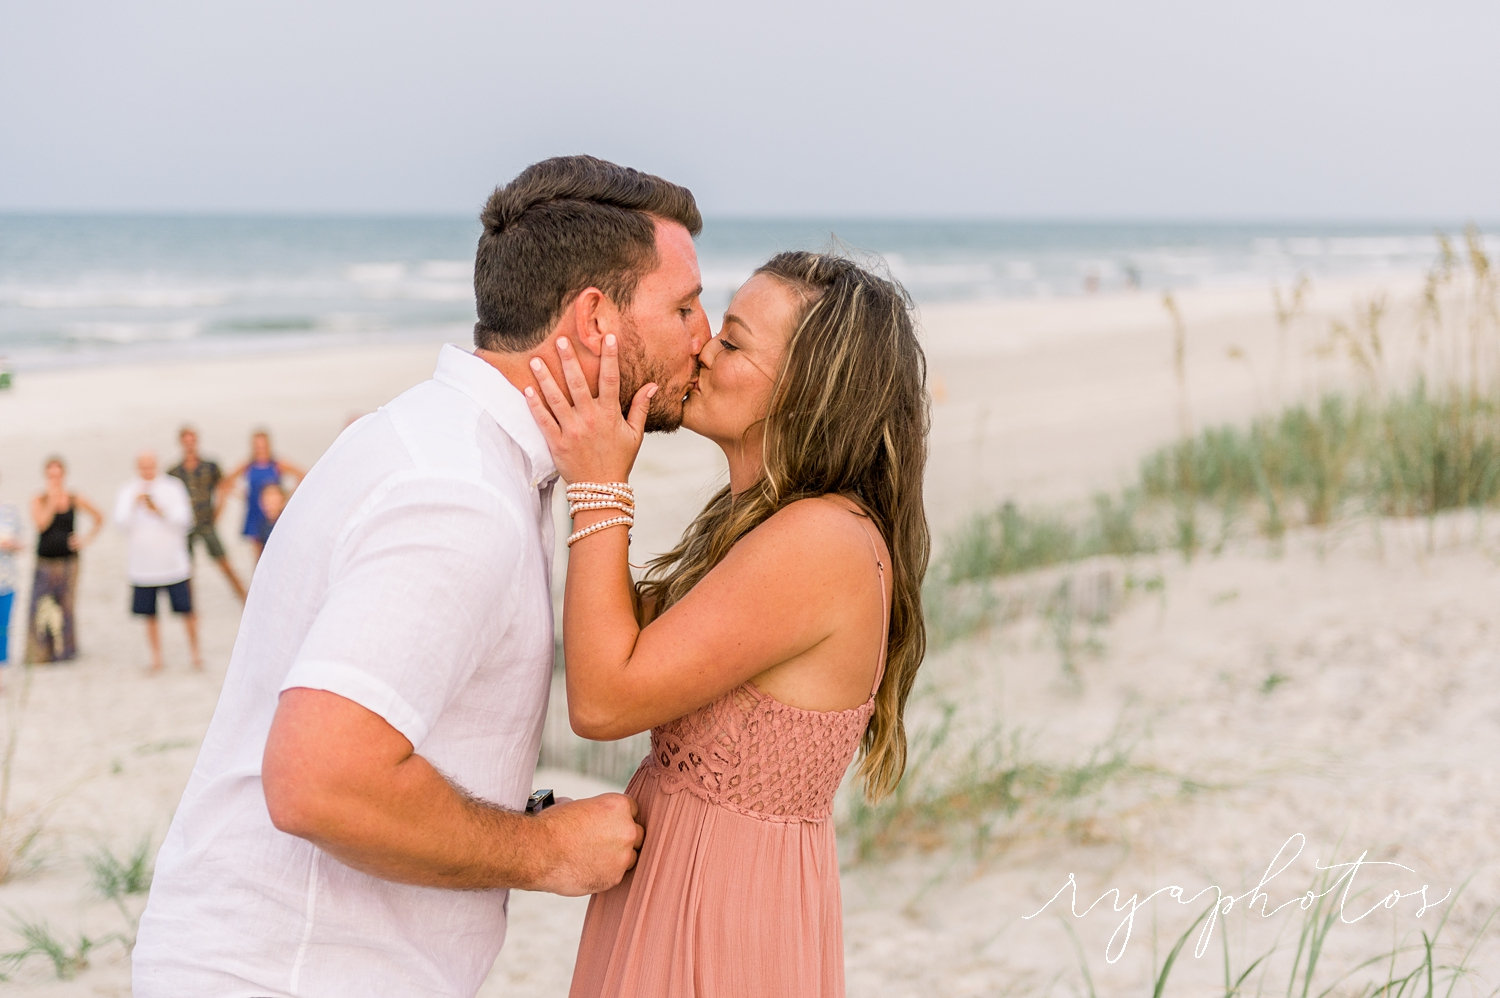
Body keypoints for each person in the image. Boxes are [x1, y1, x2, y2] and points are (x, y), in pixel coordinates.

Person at [133, 154, 711, 997]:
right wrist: (541, 852)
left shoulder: (444, 444)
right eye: (685, 306)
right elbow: (319, 779)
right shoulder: (458, 494)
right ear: (596, 320)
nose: (705, 332)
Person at [525, 251, 930, 997]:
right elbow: (622, 639)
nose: (704, 348)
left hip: (721, 906)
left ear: (811, 392)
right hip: (685, 888)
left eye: (735, 342)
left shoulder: (819, 542)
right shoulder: (761, 527)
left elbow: (604, 698)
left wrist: (601, 485)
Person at [115, 450, 201, 673]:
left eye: (150, 465)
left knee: (187, 611)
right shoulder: (128, 490)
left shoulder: (173, 487)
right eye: (143, 466)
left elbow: (186, 520)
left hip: (174, 563)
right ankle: (156, 657)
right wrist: (136, 505)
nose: (147, 470)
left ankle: (195, 654)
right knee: (149, 615)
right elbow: (120, 523)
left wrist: (158, 510)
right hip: (143, 566)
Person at [25, 456, 103, 664]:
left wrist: (85, 539)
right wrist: (52, 500)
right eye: (51, 476)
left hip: (69, 562)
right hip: (45, 561)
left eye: (58, 475)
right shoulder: (39, 499)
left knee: (65, 606)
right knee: (40, 605)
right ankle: (41, 652)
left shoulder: (74, 498)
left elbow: (99, 517)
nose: (55, 480)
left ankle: (65, 651)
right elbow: (41, 524)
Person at [168, 425, 248, 601]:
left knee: (223, 562)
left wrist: (219, 510)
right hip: (186, 525)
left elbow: (224, 487)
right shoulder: (174, 471)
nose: (189, 445)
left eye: (192, 441)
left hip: (206, 522)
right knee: (186, 569)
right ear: (181, 443)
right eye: (186, 441)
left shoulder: (210, 466)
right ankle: (188, 605)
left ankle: (244, 597)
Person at [219, 429, 305, 564]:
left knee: (277, 551)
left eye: (263, 445)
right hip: (254, 512)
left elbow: (302, 475)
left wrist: (285, 496)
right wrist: (242, 495)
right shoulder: (248, 465)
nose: (260, 449)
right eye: (257, 445)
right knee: (258, 558)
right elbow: (225, 482)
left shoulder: (277, 464)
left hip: (272, 513)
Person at [0, 474, 20, 677]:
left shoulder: (9, 511)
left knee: (3, 628)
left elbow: (21, 543)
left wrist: (12, 545)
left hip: (6, 578)